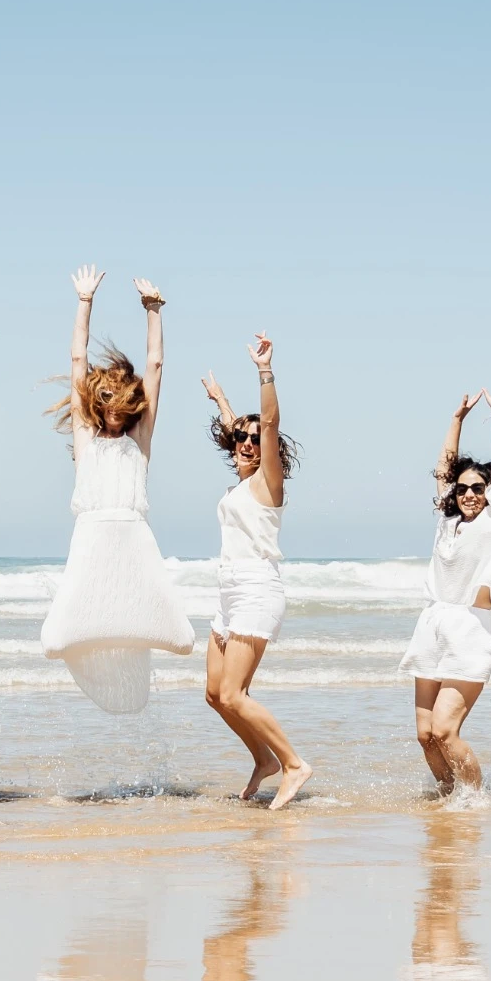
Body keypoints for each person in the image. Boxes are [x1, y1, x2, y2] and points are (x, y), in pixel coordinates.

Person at [39, 266, 195, 714]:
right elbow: (76, 360)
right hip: (90, 534)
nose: (112, 408)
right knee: (58, 637)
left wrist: (154, 310)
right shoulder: (85, 438)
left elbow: (156, 366)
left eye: (120, 400)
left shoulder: (139, 439)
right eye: (105, 398)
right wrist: (84, 302)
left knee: (177, 635)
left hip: (132, 534)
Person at [198, 334, 311, 808]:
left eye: (254, 439)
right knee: (214, 694)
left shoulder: (268, 483)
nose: (247, 443)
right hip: (228, 593)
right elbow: (241, 427)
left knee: (234, 694)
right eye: (239, 438)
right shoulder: (239, 486)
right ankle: (263, 759)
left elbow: (268, 422)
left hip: (256, 590)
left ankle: (293, 764)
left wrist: (264, 371)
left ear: (268, 449)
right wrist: (222, 401)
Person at [398, 385, 491, 793]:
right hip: (433, 625)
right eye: (464, 488)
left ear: (489, 492)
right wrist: (456, 419)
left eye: (478, 488)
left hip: (470, 627)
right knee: (425, 735)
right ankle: (450, 797)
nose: (469, 494)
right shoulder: (447, 521)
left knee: (445, 730)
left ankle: (475, 799)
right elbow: (442, 471)